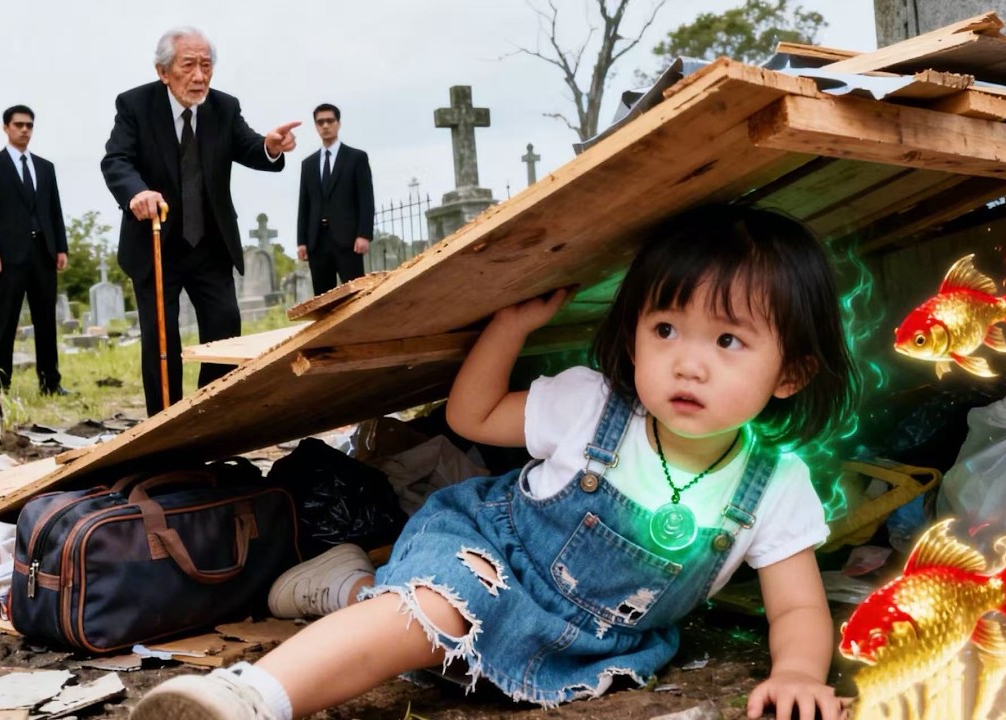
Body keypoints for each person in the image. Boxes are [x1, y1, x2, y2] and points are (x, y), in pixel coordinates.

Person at [133, 204, 861, 720]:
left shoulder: (776, 485)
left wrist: (797, 673)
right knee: (439, 609)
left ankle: (348, 586)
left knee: (447, 653)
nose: (688, 363)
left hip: (583, 642)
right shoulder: (590, 406)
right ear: (633, 335)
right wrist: (509, 327)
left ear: (790, 372)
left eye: (728, 341)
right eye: (665, 328)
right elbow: (471, 418)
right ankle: (251, 697)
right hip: (492, 554)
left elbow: (796, 603)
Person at [101, 27, 300, 415]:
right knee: (162, 339)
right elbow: (116, 160)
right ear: (163, 72)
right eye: (188, 65)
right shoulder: (135, 106)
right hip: (157, 244)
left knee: (225, 326)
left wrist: (270, 147)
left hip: (210, 245)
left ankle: (210, 415)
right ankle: (165, 425)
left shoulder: (224, 107)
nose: (199, 76)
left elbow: (250, 146)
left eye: (206, 66)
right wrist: (136, 192)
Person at [0, 104, 70, 396]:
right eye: (19, 125)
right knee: (5, 321)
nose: (25, 130)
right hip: (8, 257)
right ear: (6, 127)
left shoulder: (45, 167)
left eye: (29, 125)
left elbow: (54, 209)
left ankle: (50, 382)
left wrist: (61, 247)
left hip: (43, 253)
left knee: (45, 322)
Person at [296, 103, 374, 295]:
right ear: (315, 126)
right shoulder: (308, 164)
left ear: (338, 123)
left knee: (357, 296)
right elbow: (304, 205)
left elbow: (366, 199)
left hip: (348, 241)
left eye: (330, 121)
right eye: (320, 122)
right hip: (317, 242)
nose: (325, 126)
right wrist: (302, 241)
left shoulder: (356, 158)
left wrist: (364, 234)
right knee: (324, 300)